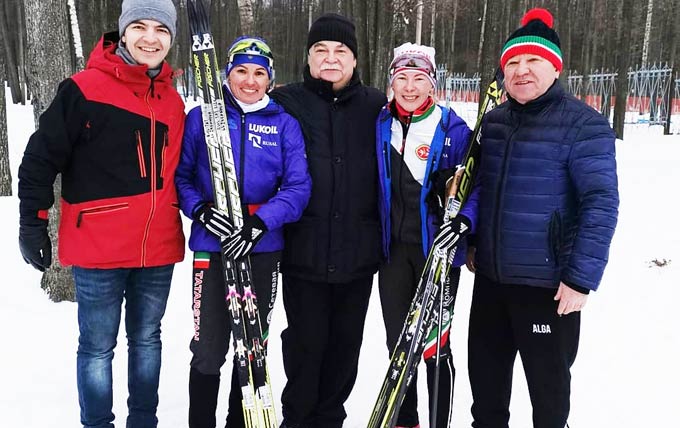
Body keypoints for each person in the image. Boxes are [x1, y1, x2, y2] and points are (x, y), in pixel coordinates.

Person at [17, 1, 185, 427]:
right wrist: (32, 222)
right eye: (141, 27)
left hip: (157, 249)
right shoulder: (84, 88)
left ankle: (143, 420)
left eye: (161, 30)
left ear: (171, 38)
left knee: (147, 340)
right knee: (97, 347)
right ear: (123, 32)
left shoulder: (172, 100)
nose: (151, 38)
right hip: (98, 250)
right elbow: (40, 158)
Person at [466, 8, 619, 428]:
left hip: (548, 288)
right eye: (512, 62)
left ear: (555, 66)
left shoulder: (583, 125)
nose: (521, 71)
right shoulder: (493, 123)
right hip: (492, 284)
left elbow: (601, 203)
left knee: (549, 401)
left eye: (532, 61)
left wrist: (580, 278)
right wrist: (474, 242)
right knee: (487, 396)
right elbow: (481, 189)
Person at [175, 35, 311, 428]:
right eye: (241, 71)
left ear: (270, 78)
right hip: (212, 245)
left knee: (251, 346)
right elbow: (182, 177)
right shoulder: (202, 118)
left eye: (258, 73)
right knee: (207, 348)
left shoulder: (284, 124)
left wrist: (261, 222)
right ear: (227, 74)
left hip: (262, 247)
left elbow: (299, 187)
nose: (249, 81)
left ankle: (239, 421)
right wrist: (200, 210)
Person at [269, 13, 386, 428]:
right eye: (321, 50)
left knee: (344, 348)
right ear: (308, 56)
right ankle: (297, 418)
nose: (331, 59)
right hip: (305, 252)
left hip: (358, 254)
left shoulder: (377, 106)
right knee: (304, 344)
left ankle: (329, 419)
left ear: (355, 60)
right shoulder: (286, 102)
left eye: (341, 51)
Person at [376, 42, 476, 428]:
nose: (410, 86)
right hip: (393, 254)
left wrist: (460, 213)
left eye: (419, 78)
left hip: (437, 252)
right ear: (392, 83)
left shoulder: (453, 127)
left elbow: (475, 186)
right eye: (402, 77)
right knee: (399, 346)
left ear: (432, 84)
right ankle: (406, 420)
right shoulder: (381, 124)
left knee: (436, 346)